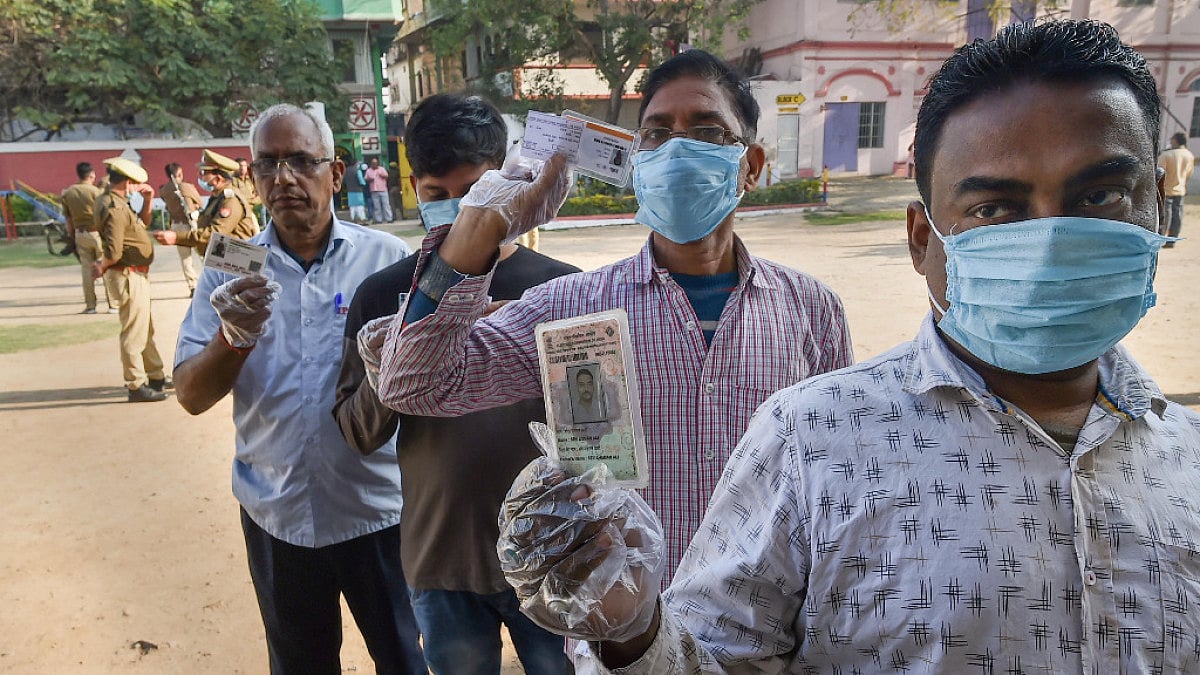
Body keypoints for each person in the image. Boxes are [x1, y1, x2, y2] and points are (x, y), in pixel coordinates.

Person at [497, 20, 1200, 673]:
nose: (1052, 241)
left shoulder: (1189, 459)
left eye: (1101, 196)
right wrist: (633, 632)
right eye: (995, 209)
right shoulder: (811, 436)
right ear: (924, 239)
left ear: (1158, 212)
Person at [375, 49, 854, 580]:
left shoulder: (811, 310)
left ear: (751, 166)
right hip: (623, 632)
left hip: (765, 631)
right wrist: (478, 231)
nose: (677, 150)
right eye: (656, 133)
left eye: (707, 132)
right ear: (638, 162)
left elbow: (832, 476)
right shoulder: (571, 307)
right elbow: (414, 384)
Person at [333, 93, 579, 675]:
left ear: (505, 180)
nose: (454, 212)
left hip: (551, 554)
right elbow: (354, 431)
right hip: (440, 564)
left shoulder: (562, 291)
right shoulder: (382, 295)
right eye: (435, 196)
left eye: (470, 193)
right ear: (414, 188)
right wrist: (402, 348)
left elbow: (600, 426)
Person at [172, 103, 422, 674]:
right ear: (253, 177)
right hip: (277, 514)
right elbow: (189, 394)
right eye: (268, 164)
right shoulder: (231, 265)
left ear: (334, 173)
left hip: (378, 512)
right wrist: (233, 339)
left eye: (301, 162)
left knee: (404, 659)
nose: (284, 178)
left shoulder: (386, 258)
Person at [92, 157, 170, 403]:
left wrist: (147, 200)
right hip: (128, 274)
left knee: (144, 328)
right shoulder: (115, 208)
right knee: (134, 332)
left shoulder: (117, 203)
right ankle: (136, 385)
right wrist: (102, 265)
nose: (138, 188)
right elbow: (114, 251)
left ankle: (155, 375)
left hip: (136, 273)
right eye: (136, 184)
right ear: (127, 183)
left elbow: (143, 222)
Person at [152, 149, 257, 254]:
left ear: (218, 178)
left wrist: (177, 237)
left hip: (236, 260)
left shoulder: (230, 200)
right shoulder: (217, 197)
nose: (201, 177)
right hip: (222, 259)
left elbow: (215, 234)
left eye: (204, 173)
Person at [61, 162, 118, 314]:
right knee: (104, 266)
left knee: (86, 271)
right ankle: (112, 304)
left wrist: (72, 238)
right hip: (97, 233)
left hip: (80, 233)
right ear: (91, 175)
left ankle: (91, 306)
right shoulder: (97, 192)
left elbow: (68, 220)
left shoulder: (68, 193)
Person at [159, 163, 204, 297]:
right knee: (204, 255)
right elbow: (200, 203)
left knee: (185, 259)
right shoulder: (187, 187)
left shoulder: (164, 190)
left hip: (177, 226)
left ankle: (193, 286)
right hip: (191, 224)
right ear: (179, 173)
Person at [1158, 131, 1193, 247]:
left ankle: (1161, 238)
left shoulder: (1166, 155)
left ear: (1175, 140)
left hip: (1166, 189)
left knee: (1165, 215)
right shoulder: (1189, 155)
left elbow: (1159, 172)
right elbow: (1189, 173)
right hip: (1180, 189)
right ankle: (1172, 239)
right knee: (1177, 215)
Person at [232, 156, 264, 231]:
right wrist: (251, 201)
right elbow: (236, 199)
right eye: (240, 166)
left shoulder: (251, 180)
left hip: (255, 212)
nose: (242, 168)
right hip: (241, 214)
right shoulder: (232, 181)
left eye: (244, 166)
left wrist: (249, 201)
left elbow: (260, 196)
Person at [365, 157, 393, 224]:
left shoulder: (382, 169)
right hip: (374, 190)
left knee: (386, 205)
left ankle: (389, 218)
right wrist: (370, 179)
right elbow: (366, 179)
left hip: (383, 190)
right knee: (377, 206)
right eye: (373, 163)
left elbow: (387, 176)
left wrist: (382, 175)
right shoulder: (369, 170)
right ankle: (379, 220)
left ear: (377, 163)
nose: (374, 164)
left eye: (375, 163)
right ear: (371, 164)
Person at [341, 153, 368, 223]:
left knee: (352, 206)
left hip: (350, 191)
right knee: (360, 206)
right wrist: (364, 184)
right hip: (358, 191)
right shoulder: (357, 171)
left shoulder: (346, 171)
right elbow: (361, 181)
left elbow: (343, 180)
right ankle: (362, 219)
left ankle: (353, 218)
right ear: (356, 163)